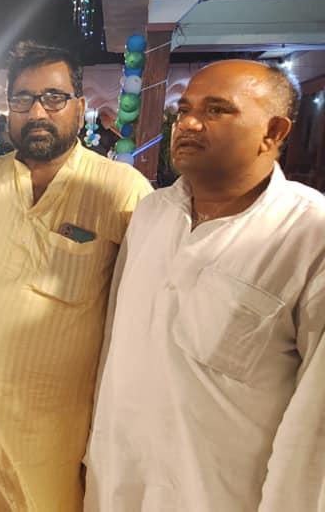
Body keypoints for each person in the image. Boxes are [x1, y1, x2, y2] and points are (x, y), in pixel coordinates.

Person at [0, 41, 152, 510]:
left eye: (54, 98)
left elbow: (145, 313)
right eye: (23, 99)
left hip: (55, 426)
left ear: (79, 106)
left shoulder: (121, 190)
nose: (37, 112)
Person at [84, 60, 325, 511]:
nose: (189, 124)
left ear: (273, 131)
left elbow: (315, 424)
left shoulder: (309, 234)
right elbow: (115, 346)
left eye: (216, 110)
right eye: (185, 109)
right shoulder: (152, 213)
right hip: (119, 483)